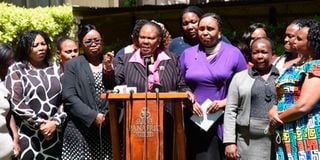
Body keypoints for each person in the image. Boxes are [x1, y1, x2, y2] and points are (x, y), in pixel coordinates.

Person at [108, 20, 194, 158]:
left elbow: (181, 84)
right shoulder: (125, 60)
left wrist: (187, 92)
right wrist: (108, 70)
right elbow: (114, 84)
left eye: (150, 38)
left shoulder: (171, 59)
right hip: (135, 125)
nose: (145, 41)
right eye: (142, 37)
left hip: (166, 121)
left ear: (159, 40)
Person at [179, 13, 247, 160]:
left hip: (223, 120)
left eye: (210, 28)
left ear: (219, 31)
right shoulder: (188, 54)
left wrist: (224, 102)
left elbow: (246, 86)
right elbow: (180, 83)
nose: (205, 32)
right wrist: (188, 98)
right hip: (194, 120)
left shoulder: (234, 53)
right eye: (201, 28)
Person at [5, 30, 66, 159]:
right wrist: (40, 124)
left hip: (55, 135)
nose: (41, 48)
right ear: (26, 48)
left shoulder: (55, 67)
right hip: (28, 136)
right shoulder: (16, 69)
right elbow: (16, 102)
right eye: (35, 45)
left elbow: (66, 98)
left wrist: (55, 122)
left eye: (43, 44)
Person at [61, 24, 115, 159]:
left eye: (97, 40)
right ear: (81, 44)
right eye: (88, 41)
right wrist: (93, 116)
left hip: (106, 129)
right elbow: (69, 97)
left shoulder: (111, 63)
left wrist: (107, 116)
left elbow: (116, 88)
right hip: (81, 130)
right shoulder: (72, 65)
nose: (93, 44)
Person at [268, 20, 320, 160]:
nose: (292, 41)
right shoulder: (293, 66)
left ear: (311, 42)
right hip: (287, 130)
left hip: (306, 130)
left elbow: (303, 106)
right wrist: (273, 109)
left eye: (299, 38)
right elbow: (283, 95)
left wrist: (276, 119)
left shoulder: (317, 66)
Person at [224, 37, 278, 160]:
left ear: (272, 54)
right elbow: (230, 110)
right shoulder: (239, 78)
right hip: (248, 140)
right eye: (255, 52)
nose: (260, 56)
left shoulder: (283, 75)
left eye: (264, 52)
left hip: (278, 137)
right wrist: (229, 142)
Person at [0, 43, 20, 160]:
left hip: (7, 154)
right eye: (6, 65)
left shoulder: (3, 85)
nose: (9, 69)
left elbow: (8, 113)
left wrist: (15, 138)